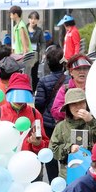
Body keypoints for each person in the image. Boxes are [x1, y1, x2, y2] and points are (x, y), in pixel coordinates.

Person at [49, 88, 96, 179]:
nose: (79, 107)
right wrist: (69, 148)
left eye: (82, 102)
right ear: (68, 107)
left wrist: (91, 122)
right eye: (74, 104)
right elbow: (53, 150)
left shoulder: (95, 121)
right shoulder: (61, 126)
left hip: (93, 174)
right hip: (68, 175)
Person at [35, 46, 67, 181]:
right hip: (65, 122)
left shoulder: (43, 81)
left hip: (49, 123)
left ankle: (54, 184)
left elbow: (39, 103)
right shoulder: (69, 81)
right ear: (64, 64)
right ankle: (64, 181)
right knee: (65, 151)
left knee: (51, 152)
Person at [0, 73, 49, 152]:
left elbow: (45, 144)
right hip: (4, 161)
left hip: (27, 161)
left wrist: (38, 144)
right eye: (17, 93)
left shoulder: (35, 113)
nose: (20, 99)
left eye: (23, 94)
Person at [51, 54, 92, 123]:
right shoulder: (65, 89)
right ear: (71, 71)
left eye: (85, 68)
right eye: (78, 68)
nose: (82, 71)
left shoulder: (95, 89)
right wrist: (72, 113)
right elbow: (55, 111)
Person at [27, 11, 47, 89]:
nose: (33, 20)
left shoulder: (39, 30)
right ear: (29, 19)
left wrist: (43, 52)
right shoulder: (24, 28)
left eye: (35, 19)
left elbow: (42, 42)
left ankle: (34, 90)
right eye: (31, 18)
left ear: (37, 20)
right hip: (25, 54)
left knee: (34, 73)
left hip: (35, 54)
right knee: (26, 73)